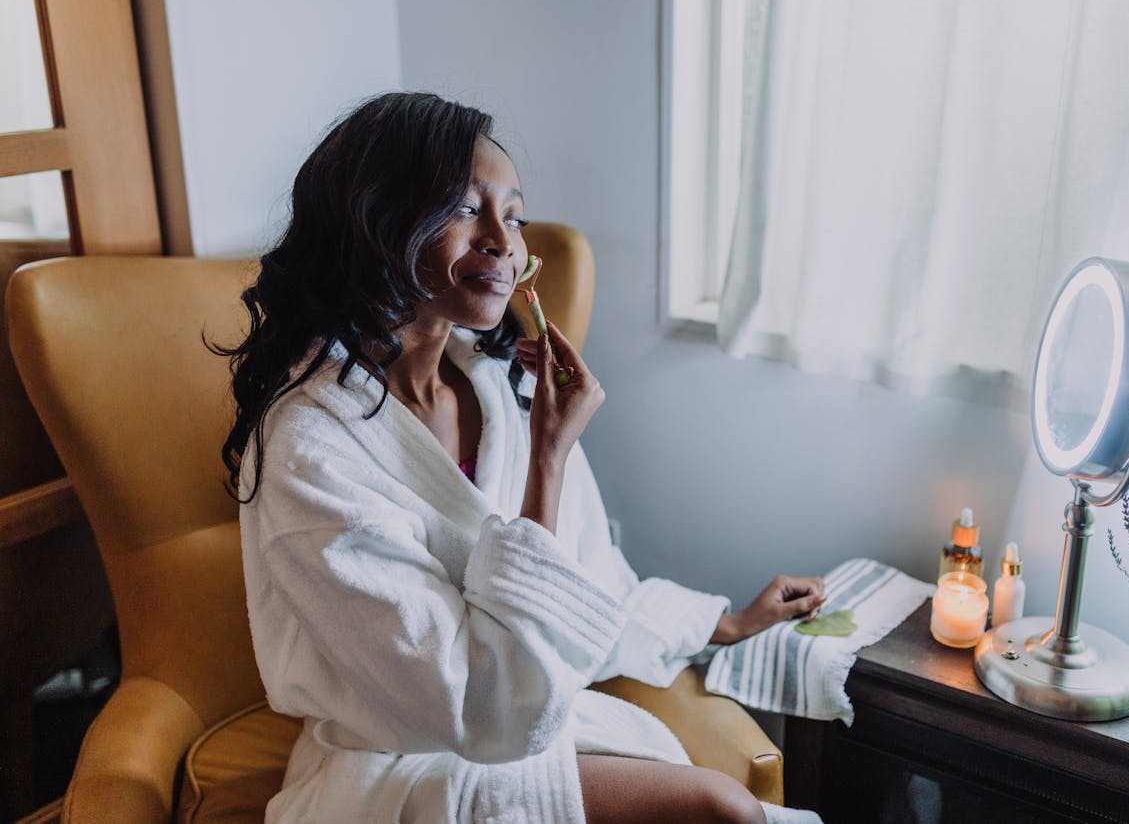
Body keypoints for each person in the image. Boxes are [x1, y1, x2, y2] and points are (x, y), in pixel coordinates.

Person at [218, 91, 825, 824]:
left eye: (514, 215)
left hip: (520, 730)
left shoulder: (497, 389)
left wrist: (723, 622)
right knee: (716, 807)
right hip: (401, 766)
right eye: (468, 208)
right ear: (379, 219)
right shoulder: (310, 447)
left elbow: (589, 581)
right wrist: (550, 455)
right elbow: (470, 700)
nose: (503, 242)